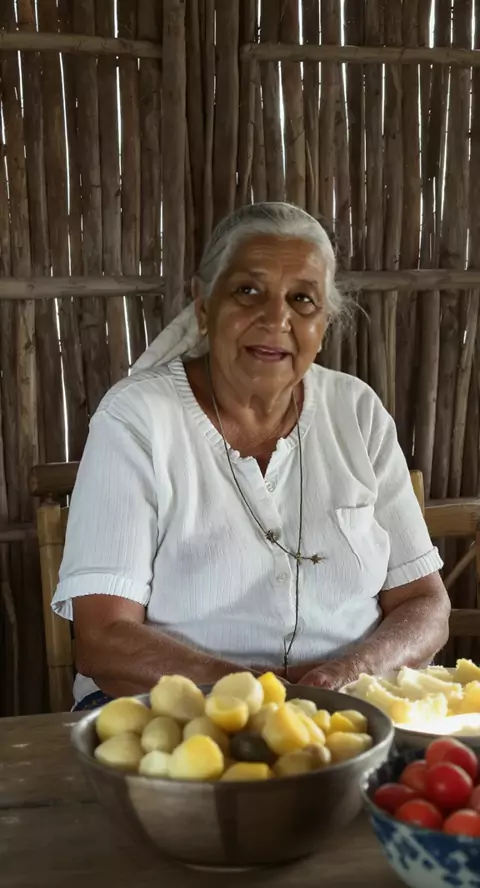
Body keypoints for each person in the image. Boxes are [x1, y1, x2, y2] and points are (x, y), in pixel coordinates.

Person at [52, 202, 450, 711]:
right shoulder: (138, 418)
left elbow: (425, 603)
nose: (276, 318)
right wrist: (262, 695)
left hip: (345, 707)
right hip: (173, 711)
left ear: (324, 322)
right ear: (203, 305)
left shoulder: (356, 410)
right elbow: (104, 639)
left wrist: (347, 674)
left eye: (302, 299)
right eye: (248, 291)